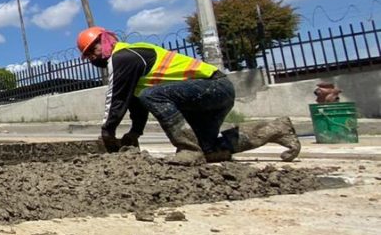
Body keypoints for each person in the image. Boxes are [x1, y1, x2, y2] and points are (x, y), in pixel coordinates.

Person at [77, 27, 299, 162]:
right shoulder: (131, 63)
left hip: (213, 87)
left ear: (104, 41)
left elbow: (116, 97)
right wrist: (135, 133)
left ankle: (187, 148)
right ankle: (277, 130)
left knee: (152, 95)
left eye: (92, 51)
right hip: (203, 96)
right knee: (210, 150)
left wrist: (107, 131)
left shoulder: (124, 57)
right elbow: (134, 104)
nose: (93, 58)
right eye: (88, 56)